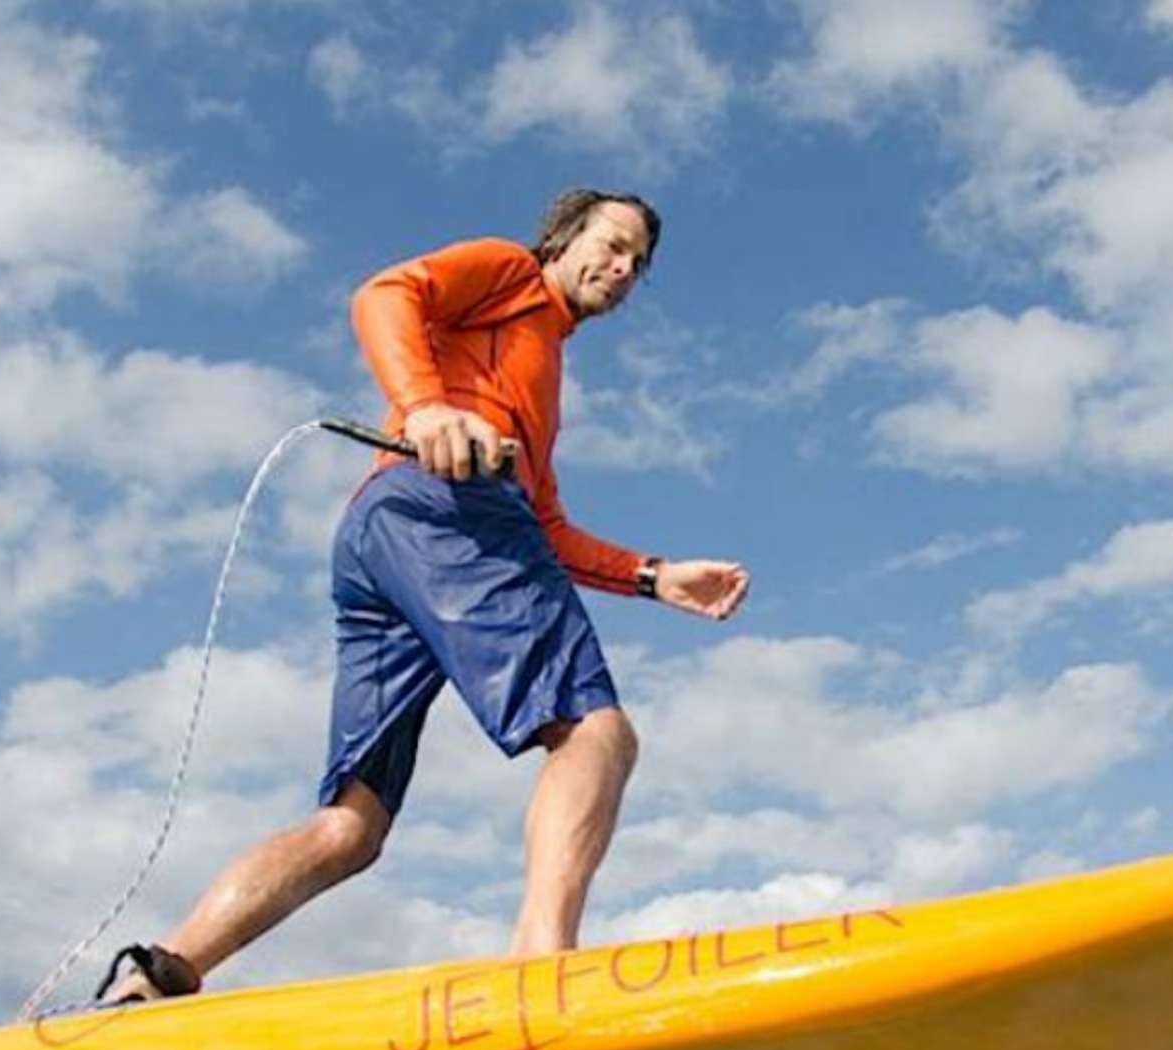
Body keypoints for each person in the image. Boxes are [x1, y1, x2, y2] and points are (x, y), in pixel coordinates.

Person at [98, 190, 750, 1004]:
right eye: (611, 244)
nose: (621, 269)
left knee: (351, 827)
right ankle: (540, 969)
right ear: (562, 238)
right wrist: (428, 405)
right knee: (595, 732)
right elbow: (385, 293)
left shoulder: (540, 378)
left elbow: (543, 525)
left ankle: (160, 974)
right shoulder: (513, 276)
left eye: (636, 264)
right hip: (444, 508)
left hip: (385, 535)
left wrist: (652, 575)